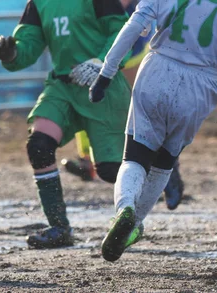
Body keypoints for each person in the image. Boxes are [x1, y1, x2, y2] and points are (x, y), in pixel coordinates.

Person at [89, 0, 217, 261]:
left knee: (134, 158)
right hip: (200, 82)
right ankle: (134, 223)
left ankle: (124, 209)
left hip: (157, 70)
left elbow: (134, 25)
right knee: (164, 163)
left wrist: (106, 73)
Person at [0, 0, 132, 249]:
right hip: (62, 86)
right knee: (39, 145)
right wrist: (12, 54)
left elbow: (122, 33)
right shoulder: (39, 3)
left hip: (102, 87)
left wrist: (102, 64)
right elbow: (28, 46)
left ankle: (162, 171)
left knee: (111, 171)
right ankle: (59, 228)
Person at [61, 0, 186, 211]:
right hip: (99, 41)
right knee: (90, 100)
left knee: (136, 112)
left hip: (127, 36)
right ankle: (87, 159)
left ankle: (166, 167)